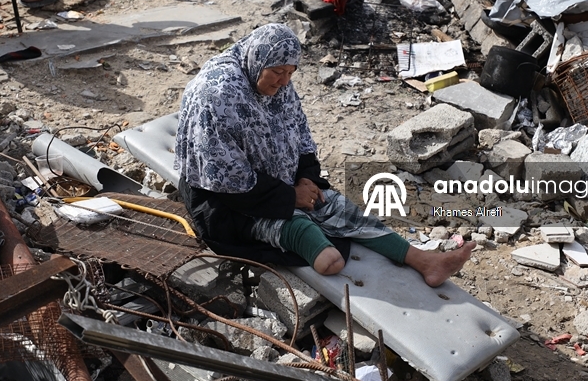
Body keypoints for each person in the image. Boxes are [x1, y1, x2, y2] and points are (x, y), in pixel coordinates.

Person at [174, 23, 475, 287]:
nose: (284, 81)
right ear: (257, 61)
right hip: (226, 200)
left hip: (278, 183)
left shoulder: (278, 84)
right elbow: (227, 179)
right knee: (297, 228)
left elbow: (299, 132)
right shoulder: (216, 97)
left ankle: (425, 261)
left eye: (290, 73)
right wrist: (290, 197)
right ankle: (312, 243)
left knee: (339, 207)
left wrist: (305, 178)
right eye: (278, 72)